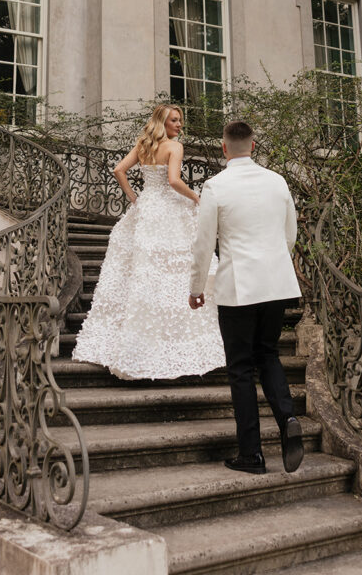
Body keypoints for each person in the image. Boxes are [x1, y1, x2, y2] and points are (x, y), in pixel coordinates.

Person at [72, 104, 226, 379]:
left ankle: (135, 347)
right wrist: (196, 197)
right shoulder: (174, 147)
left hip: (146, 209)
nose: (179, 125)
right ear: (163, 123)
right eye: (175, 120)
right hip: (168, 210)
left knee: (144, 274)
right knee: (174, 272)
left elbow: (119, 170)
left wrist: (133, 196)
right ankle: (175, 345)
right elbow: (174, 181)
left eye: (180, 120)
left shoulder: (143, 144)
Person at [189, 120, 304, 475]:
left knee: (240, 368)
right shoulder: (278, 181)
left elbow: (204, 243)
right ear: (253, 146)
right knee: (268, 355)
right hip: (276, 284)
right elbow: (290, 235)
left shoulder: (216, 186)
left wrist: (196, 288)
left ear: (224, 148)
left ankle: (251, 454)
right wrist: (273, 265)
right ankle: (287, 419)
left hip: (239, 286)